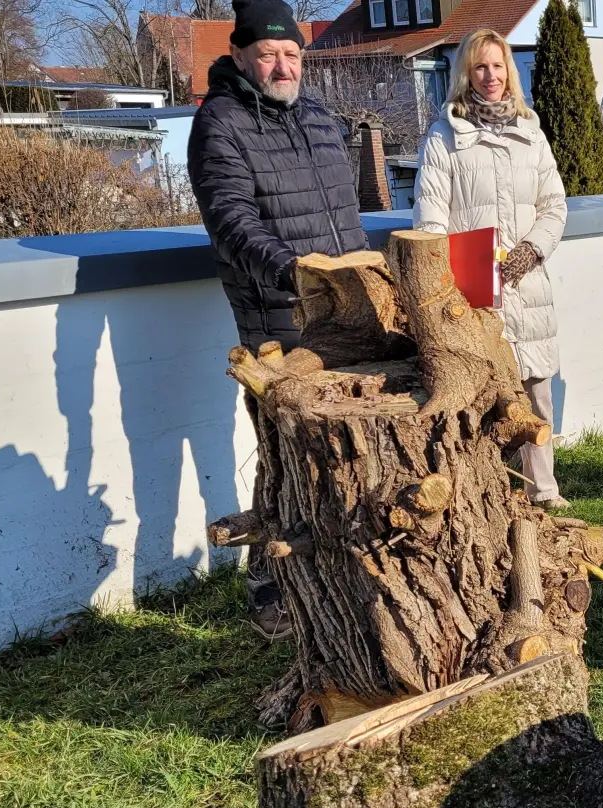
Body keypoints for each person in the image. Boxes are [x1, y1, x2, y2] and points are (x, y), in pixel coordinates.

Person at [188, 0, 367, 637]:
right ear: (240, 56)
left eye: (292, 53)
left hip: (342, 309)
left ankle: (338, 573)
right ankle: (268, 586)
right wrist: (293, 272)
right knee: (286, 451)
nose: (283, 65)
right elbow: (231, 219)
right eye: (268, 54)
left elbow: (345, 214)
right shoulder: (220, 121)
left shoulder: (317, 116)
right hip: (277, 313)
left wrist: (358, 281)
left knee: (343, 446)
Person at [414, 28, 571, 510]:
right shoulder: (445, 137)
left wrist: (530, 250)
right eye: (480, 66)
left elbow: (554, 206)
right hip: (473, 292)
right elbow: (430, 220)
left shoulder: (531, 133)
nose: (490, 76)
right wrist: (452, 281)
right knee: (480, 402)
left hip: (528, 285)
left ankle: (543, 492)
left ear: (509, 71)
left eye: (498, 65)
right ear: (466, 72)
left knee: (536, 394)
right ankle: (486, 500)